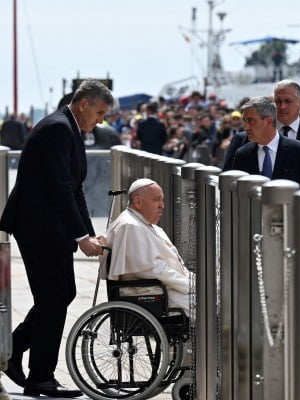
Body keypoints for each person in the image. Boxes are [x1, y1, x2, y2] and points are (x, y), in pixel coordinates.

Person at [0, 79, 111, 397]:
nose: (100, 121)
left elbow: (74, 190)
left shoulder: (68, 128)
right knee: (53, 298)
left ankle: (12, 351)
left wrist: (89, 233)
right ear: (83, 104)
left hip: (50, 228)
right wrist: (80, 237)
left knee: (61, 294)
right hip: (38, 228)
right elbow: (60, 186)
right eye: (99, 112)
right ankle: (41, 376)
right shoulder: (59, 129)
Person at [99, 179, 194, 317]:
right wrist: (189, 285)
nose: (162, 205)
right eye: (156, 200)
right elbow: (154, 269)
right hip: (153, 293)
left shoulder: (143, 223)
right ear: (138, 202)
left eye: (162, 200)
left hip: (161, 289)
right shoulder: (130, 226)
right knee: (213, 304)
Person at [223, 80, 300, 191]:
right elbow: (228, 184)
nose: (282, 107)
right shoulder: (243, 140)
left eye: (288, 101)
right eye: (278, 101)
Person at [231, 96, 300, 189]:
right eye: (245, 121)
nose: (246, 127)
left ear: (268, 121)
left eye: (250, 121)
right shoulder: (242, 155)